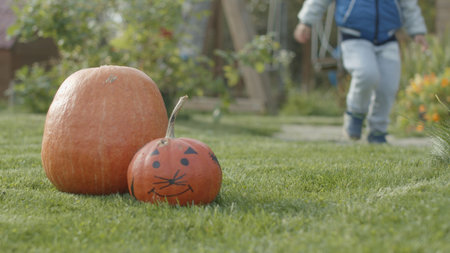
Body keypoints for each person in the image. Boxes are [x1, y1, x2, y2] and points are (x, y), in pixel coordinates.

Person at [294, 0, 429, 143]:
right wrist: (306, 21)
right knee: (367, 74)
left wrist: (417, 31)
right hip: (354, 36)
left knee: (388, 86)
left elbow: (409, 5)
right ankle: (355, 114)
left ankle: (378, 131)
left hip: (388, 37)